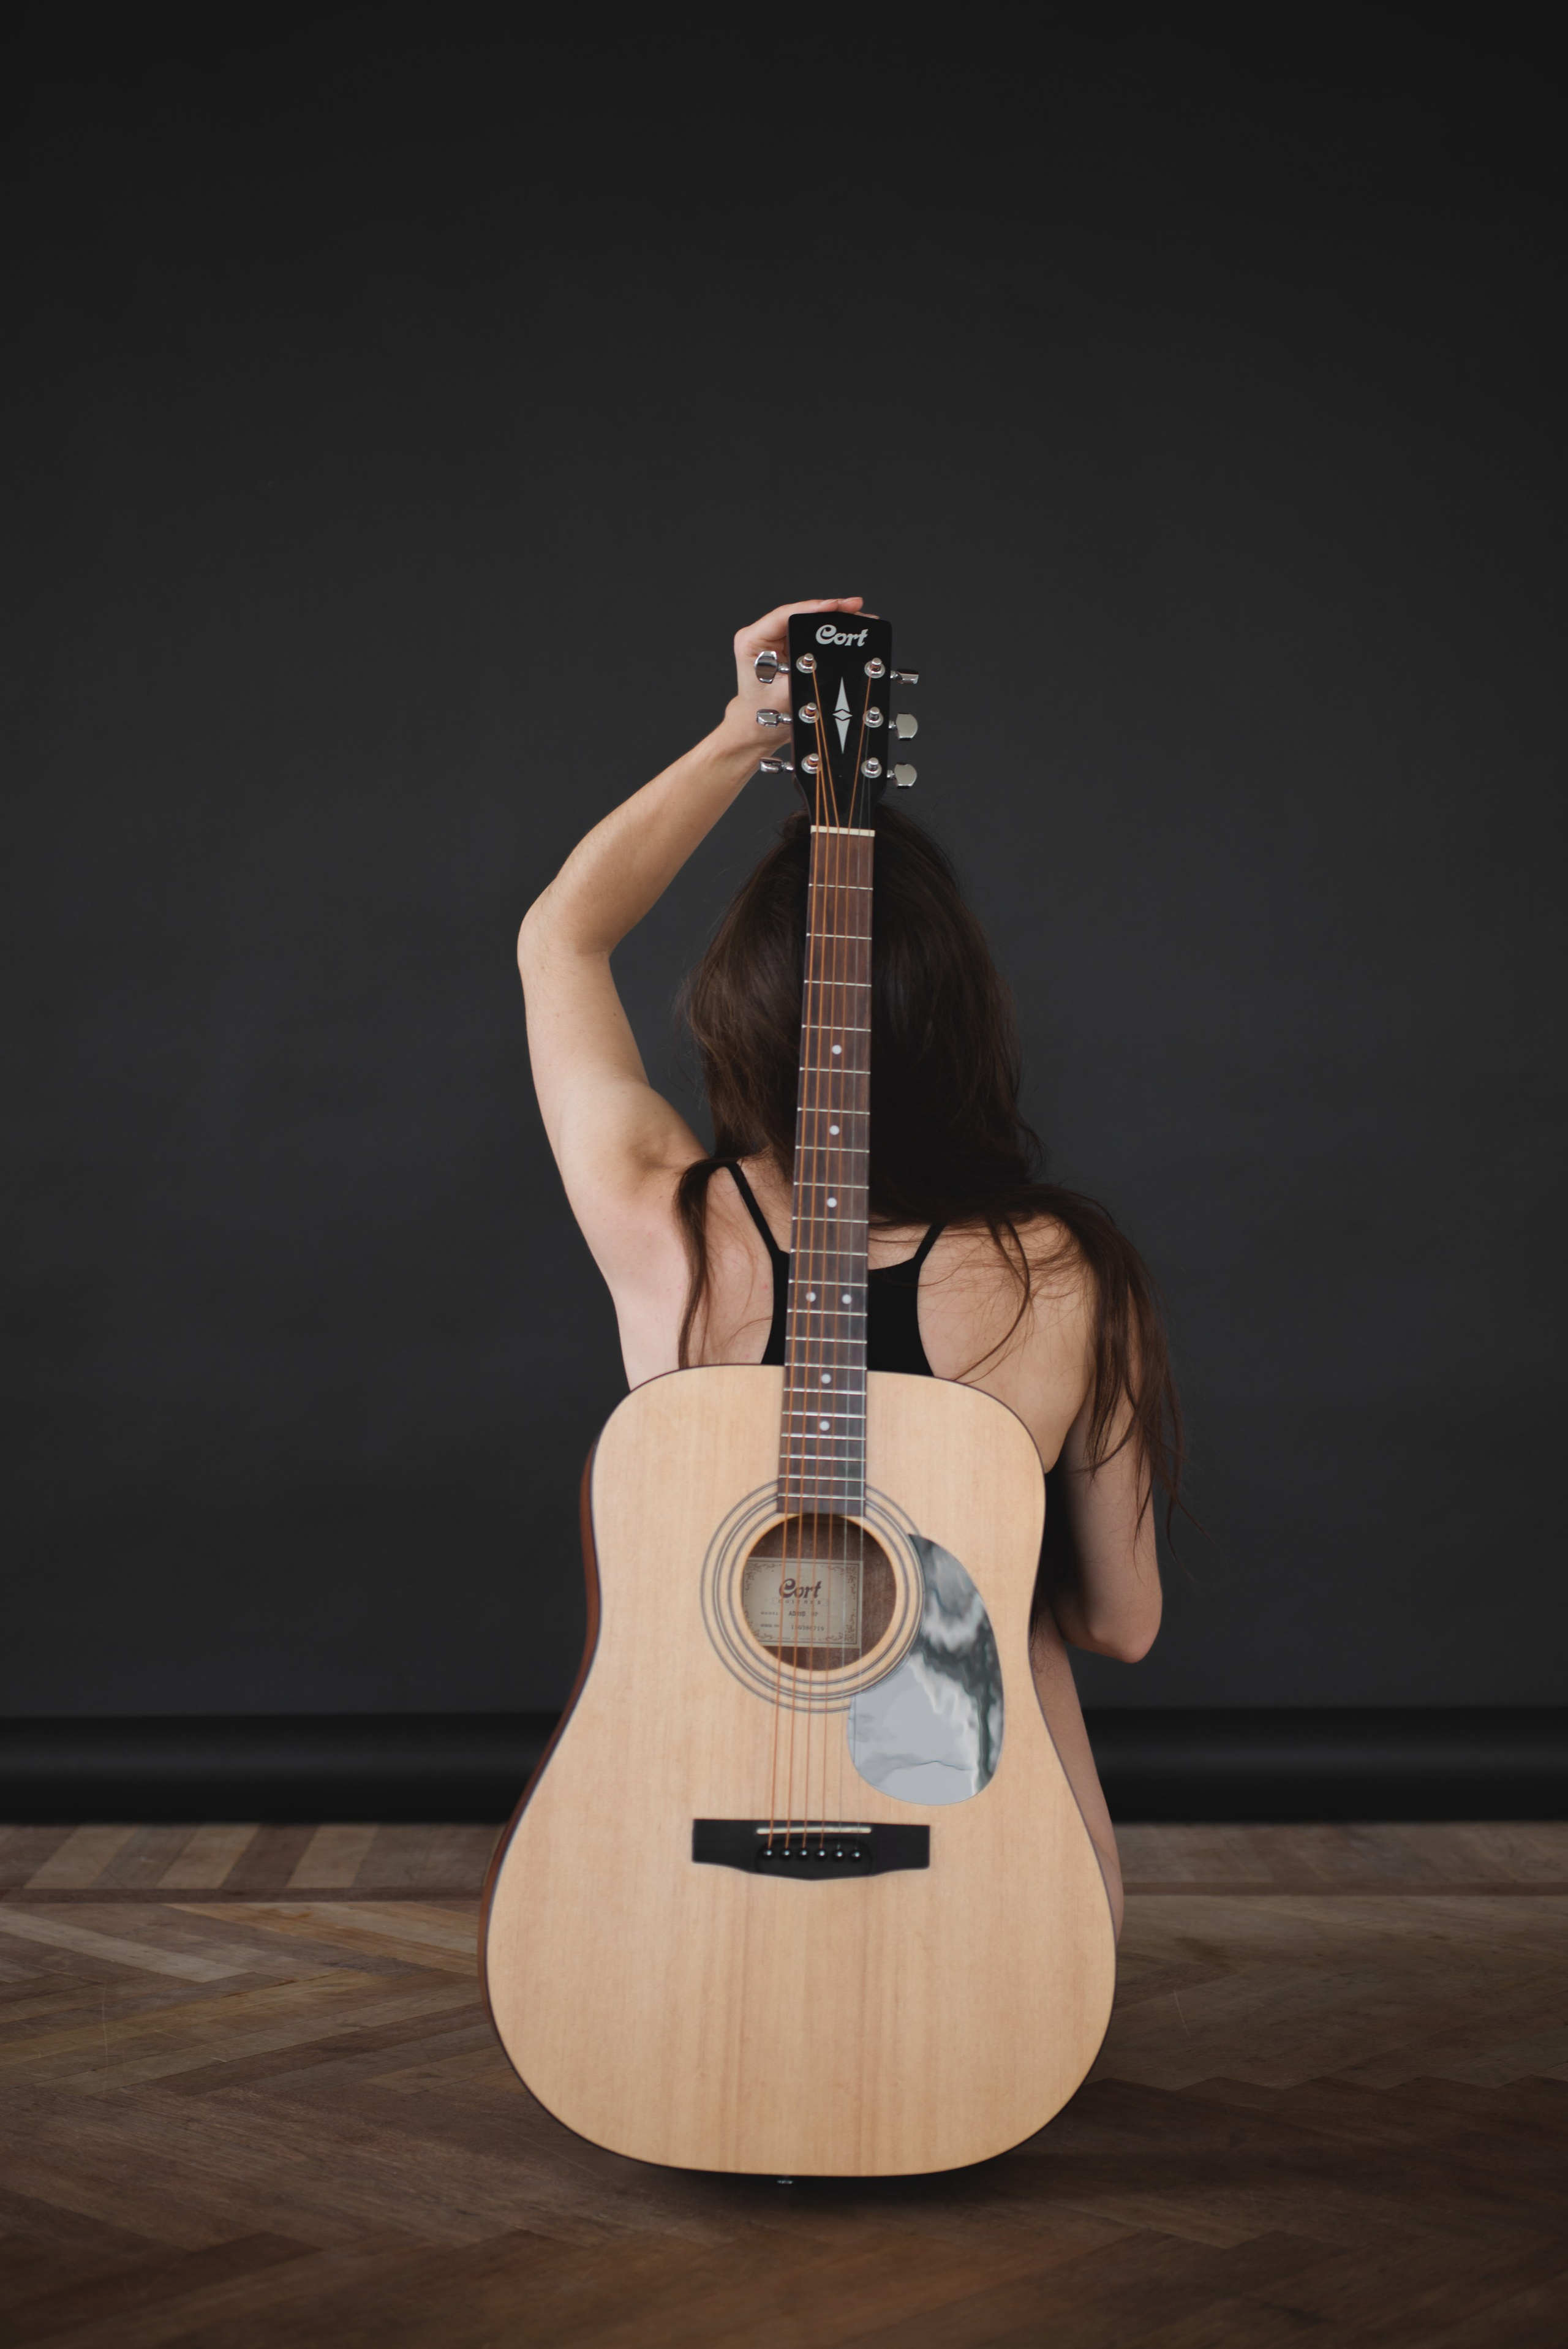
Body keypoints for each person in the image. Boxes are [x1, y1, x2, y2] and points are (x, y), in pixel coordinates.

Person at [518, 597, 1180, 1937]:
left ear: (733, 1020)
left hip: (670, 1874)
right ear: (962, 1022)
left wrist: (746, 733)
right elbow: (1121, 1624)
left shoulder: (661, 1219)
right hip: (989, 1882)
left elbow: (561, 939)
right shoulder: (1065, 1275)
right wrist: (942, 1578)